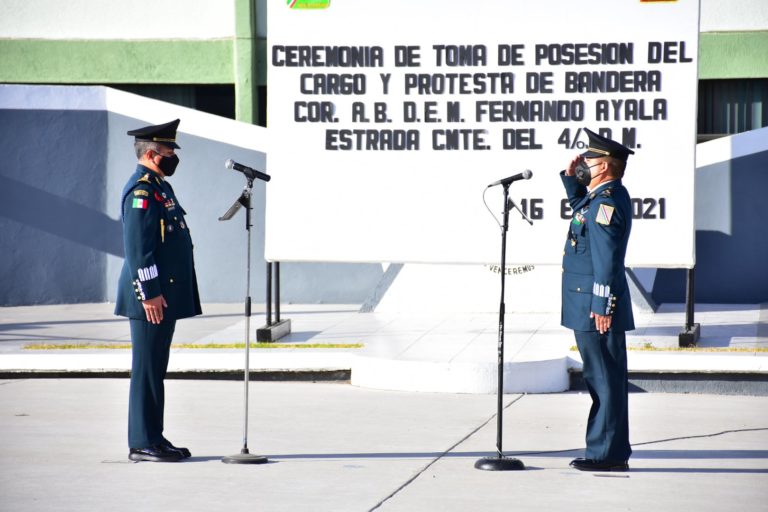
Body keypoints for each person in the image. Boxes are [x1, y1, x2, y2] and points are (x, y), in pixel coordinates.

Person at [115, 119, 202, 462]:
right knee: (147, 368)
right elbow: (139, 248)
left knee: (156, 368)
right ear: (152, 154)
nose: (172, 156)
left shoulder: (160, 186)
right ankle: (141, 442)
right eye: (168, 151)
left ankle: (155, 436)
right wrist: (149, 292)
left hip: (162, 295)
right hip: (150, 297)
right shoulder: (141, 190)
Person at [560, 128, 635, 472]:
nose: (584, 163)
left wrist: (602, 306)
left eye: (590, 159)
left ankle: (605, 455)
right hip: (589, 303)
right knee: (604, 378)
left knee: (603, 380)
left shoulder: (606, 202)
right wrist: (570, 180)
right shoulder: (601, 197)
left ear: (604, 166)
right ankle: (611, 449)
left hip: (595, 306)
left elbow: (606, 258)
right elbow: (581, 210)